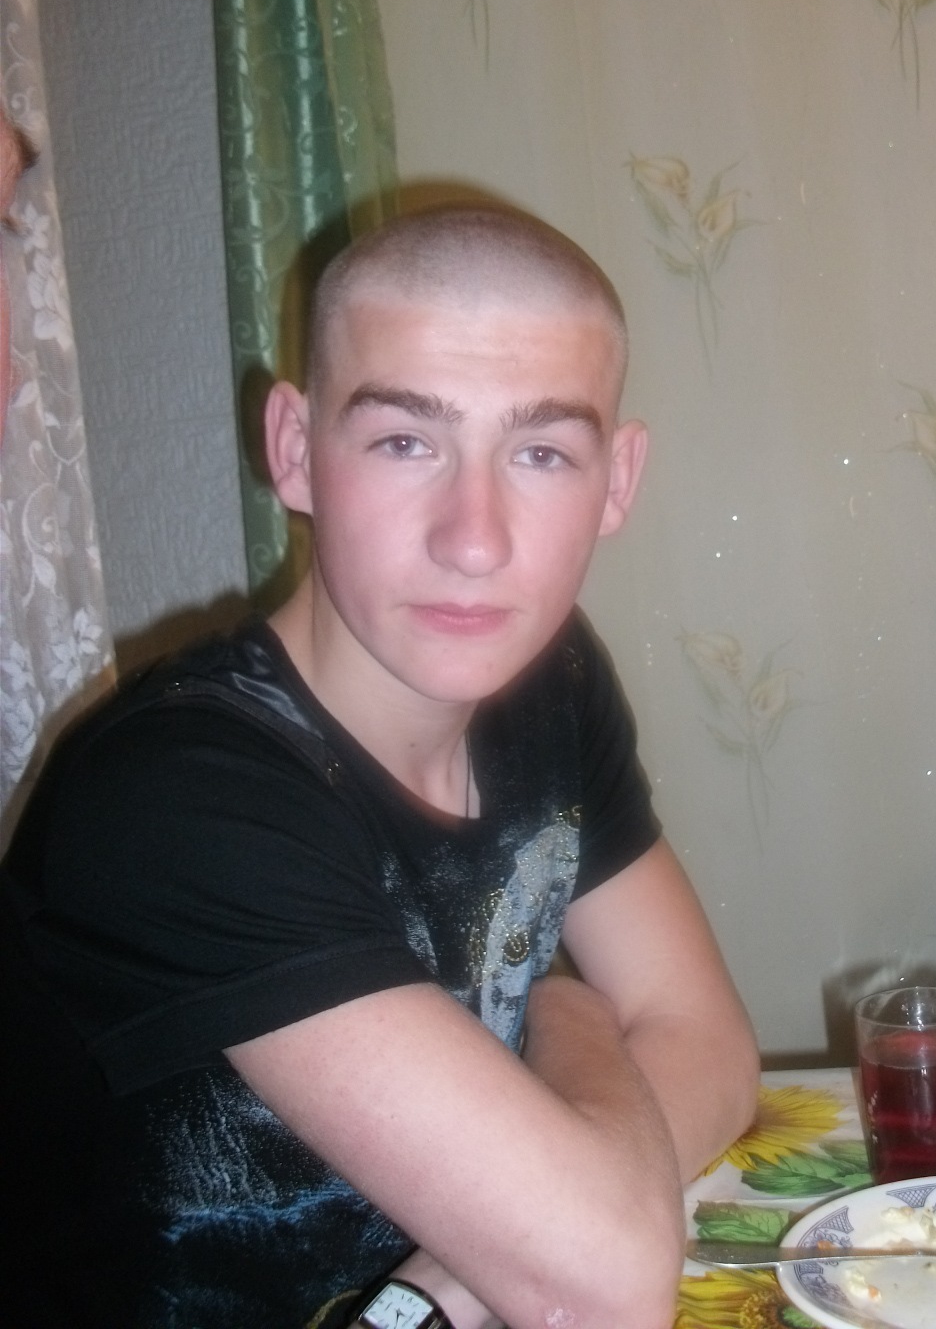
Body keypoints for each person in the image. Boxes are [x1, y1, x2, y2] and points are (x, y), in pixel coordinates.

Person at [0, 203, 760, 1329]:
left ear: (617, 479)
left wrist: (452, 1280)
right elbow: (601, 1282)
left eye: (542, 453)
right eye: (406, 440)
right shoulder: (177, 794)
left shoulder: (547, 681)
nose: (475, 538)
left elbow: (711, 1048)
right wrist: (576, 1011)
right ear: (295, 449)